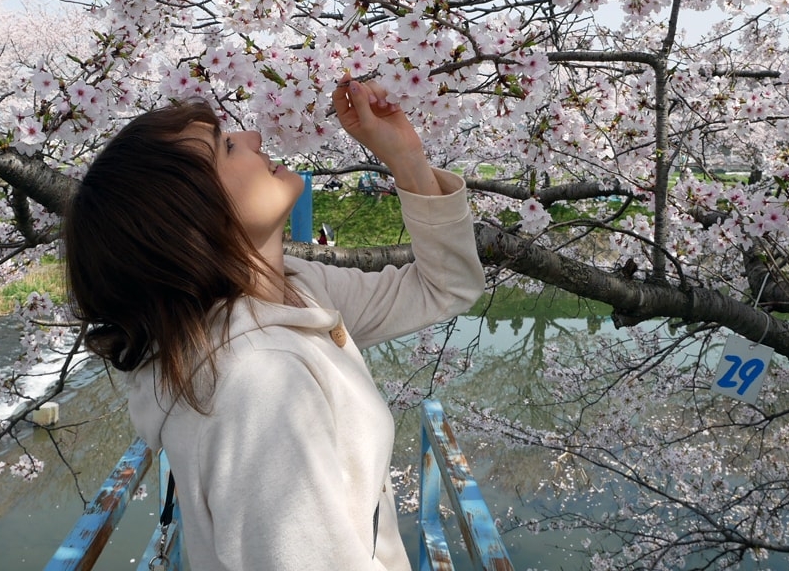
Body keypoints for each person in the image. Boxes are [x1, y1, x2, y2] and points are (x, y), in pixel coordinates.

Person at [61, 74, 485, 570]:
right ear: (193, 218)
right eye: (226, 146)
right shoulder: (258, 384)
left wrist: (405, 158)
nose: (255, 137)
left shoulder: (295, 288)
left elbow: (444, 287)